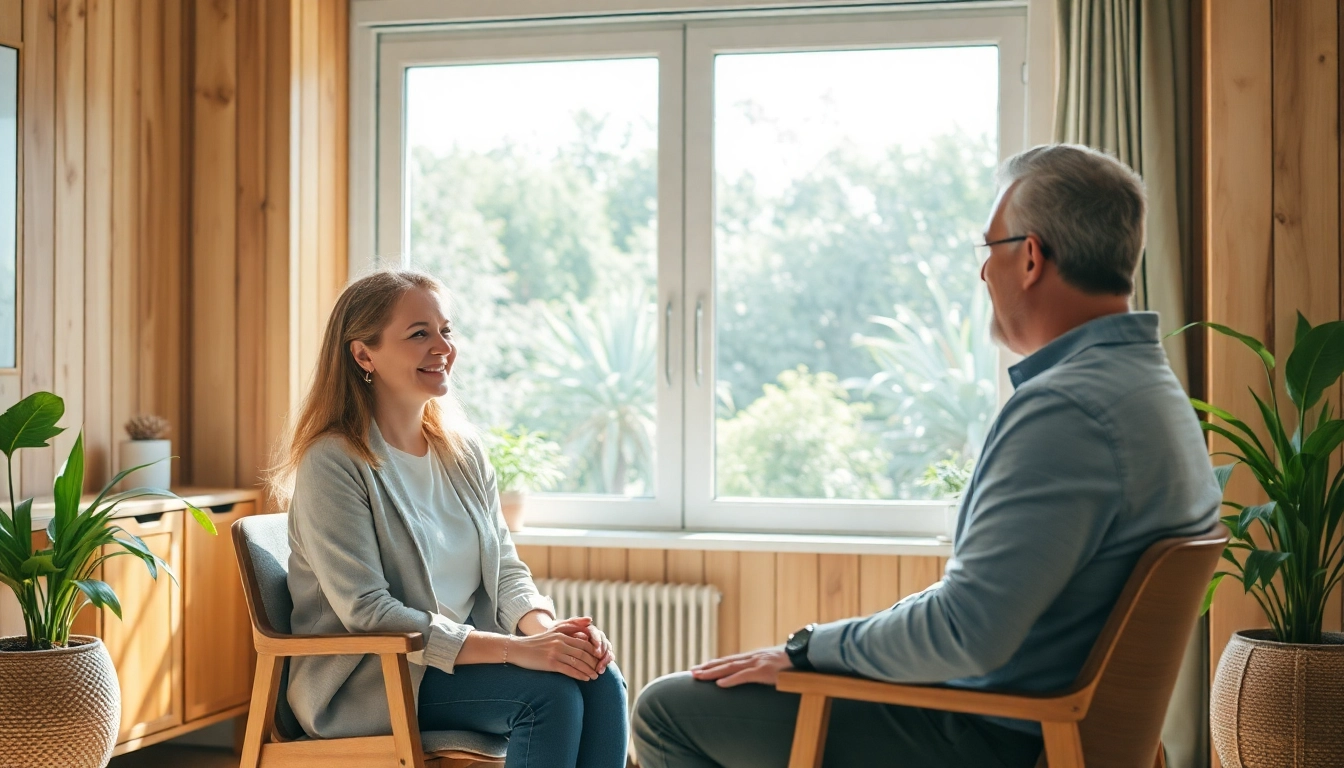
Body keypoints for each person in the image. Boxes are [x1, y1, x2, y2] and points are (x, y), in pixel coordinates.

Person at [632, 144, 1222, 767]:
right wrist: (819, 647)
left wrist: (806, 650)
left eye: (989, 248)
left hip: (989, 740)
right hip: (1041, 729)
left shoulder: (1066, 412)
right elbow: (972, 606)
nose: (982, 272)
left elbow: (967, 634)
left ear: (1029, 258)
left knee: (668, 710)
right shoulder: (1152, 392)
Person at [270, 269, 628, 768]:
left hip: (458, 664)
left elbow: (504, 569)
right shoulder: (333, 462)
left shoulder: (461, 452)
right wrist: (514, 650)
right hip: (377, 680)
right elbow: (369, 612)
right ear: (363, 355)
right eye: (420, 333)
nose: (443, 347)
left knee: (600, 677)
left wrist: (548, 633)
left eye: (446, 331)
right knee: (549, 698)